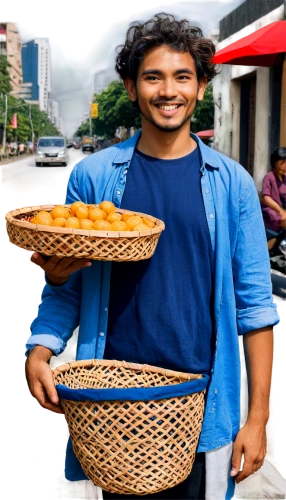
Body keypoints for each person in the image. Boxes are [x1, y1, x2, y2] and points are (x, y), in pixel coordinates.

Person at [24, 12, 279, 500]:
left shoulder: (233, 185)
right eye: (153, 77)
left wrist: (258, 416)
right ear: (131, 86)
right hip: (111, 402)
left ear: (202, 86)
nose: (169, 90)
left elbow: (256, 307)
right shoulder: (94, 179)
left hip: (202, 405)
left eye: (183, 77)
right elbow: (66, 286)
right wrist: (41, 348)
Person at [261, 147, 286, 250]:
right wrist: (280, 210)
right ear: (274, 163)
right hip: (271, 211)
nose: (285, 166)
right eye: (281, 163)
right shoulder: (269, 177)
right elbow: (265, 198)